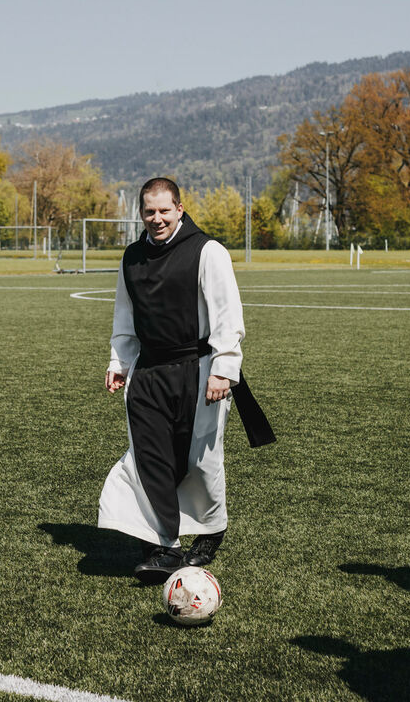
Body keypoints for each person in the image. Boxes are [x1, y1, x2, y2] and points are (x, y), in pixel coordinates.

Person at [98, 177, 272, 584]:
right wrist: (119, 362)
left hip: (198, 369)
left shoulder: (207, 251)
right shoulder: (132, 257)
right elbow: (125, 315)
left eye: (164, 210)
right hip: (148, 373)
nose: (156, 218)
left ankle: (212, 528)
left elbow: (228, 315)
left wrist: (223, 368)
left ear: (179, 208)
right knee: (149, 457)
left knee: (199, 461)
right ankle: (164, 546)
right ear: (140, 213)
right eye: (149, 211)